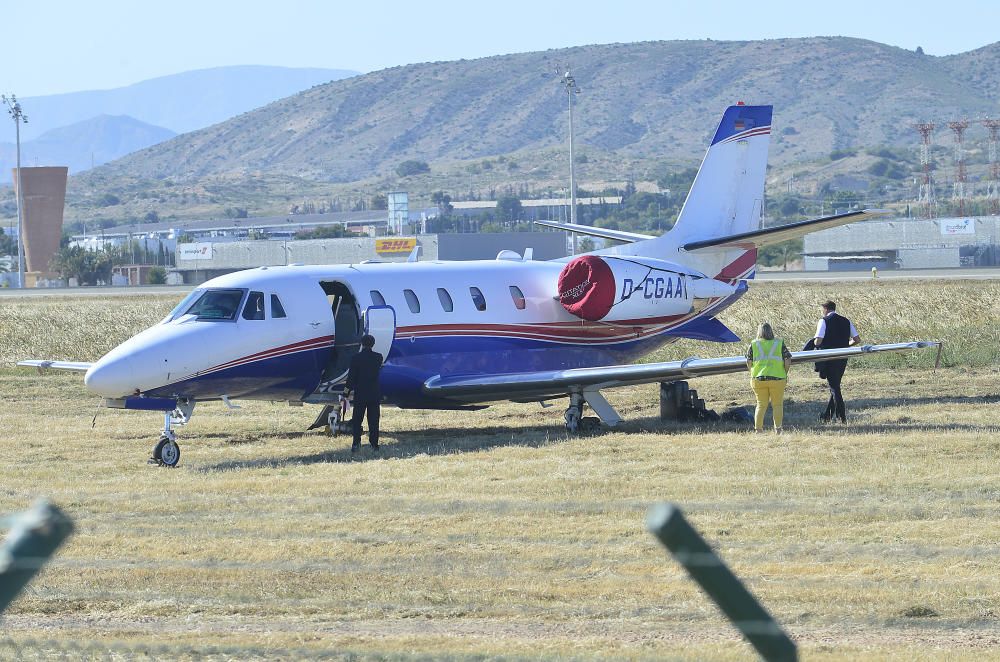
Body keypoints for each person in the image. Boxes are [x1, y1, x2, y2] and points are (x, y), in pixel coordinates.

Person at [814, 300, 860, 423]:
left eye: (822, 309)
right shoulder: (846, 321)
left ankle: (842, 417)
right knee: (835, 386)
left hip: (829, 357)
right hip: (843, 357)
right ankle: (827, 416)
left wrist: (814, 344)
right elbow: (856, 339)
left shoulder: (823, 321)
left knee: (834, 388)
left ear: (826, 309)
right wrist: (846, 346)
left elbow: (818, 340)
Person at [745, 322, 792, 432]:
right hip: (777, 378)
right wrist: (785, 372)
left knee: (761, 405)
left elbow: (748, 361)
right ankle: (778, 429)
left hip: (758, 378)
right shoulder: (779, 343)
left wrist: (752, 371)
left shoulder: (753, 344)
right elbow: (788, 359)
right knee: (777, 405)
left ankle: (758, 429)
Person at [344, 334, 384, 452]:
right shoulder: (378, 357)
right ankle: (374, 444)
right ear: (373, 344)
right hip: (374, 393)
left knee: (357, 419)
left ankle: (356, 443)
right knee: (373, 420)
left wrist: (346, 392)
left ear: (362, 344)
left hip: (361, 394)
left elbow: (351, 378)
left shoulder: (356, 358)